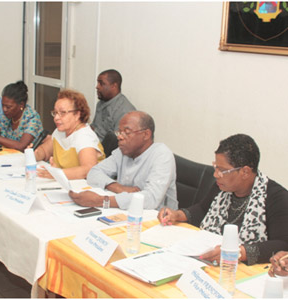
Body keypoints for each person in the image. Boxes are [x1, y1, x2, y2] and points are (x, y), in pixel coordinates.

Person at [158, 134, 288, 265]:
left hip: (246, 270)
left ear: (245, 172)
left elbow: (282, 244)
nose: (215, 175)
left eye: (222, 170)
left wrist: (237, 252)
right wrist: (178, 215)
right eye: (216, 167)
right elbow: (203, 209)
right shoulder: (222, 186)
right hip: (210, 262)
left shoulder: (276, 197)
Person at [69, 111, 177, 210]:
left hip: (158, 221)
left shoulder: (162, 155)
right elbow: (94, 172)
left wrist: (100, 201)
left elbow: (150, 199)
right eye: (119, 132)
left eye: (127, 132)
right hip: (126, 213)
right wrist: (118, 188)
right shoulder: (122, 151)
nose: (120, 137)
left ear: (146, 134)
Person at [35, 89, 105, 179]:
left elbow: (88, 170)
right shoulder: (60, 131)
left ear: (77, 115)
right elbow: (45, 151)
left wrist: (57, 174)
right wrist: (35, 154)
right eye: (55, 113)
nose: (56, 118)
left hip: (86, 187)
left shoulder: (85, 136)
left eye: (62, 113)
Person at [0, 81, 43, 152]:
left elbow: (21, 146)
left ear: (21, 105)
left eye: (8, 107)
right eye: (2, 105)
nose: (4, 109)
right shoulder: (6, 116)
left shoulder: (31, 117)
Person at [91, 69, 136, 143]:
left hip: (107, 150)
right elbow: (94, 127)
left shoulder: (125, 110)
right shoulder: (101, 103)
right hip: (92, 144)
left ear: (114, 86)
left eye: (101, 83)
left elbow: (116, 141)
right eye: (98, 83)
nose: (97, 87)